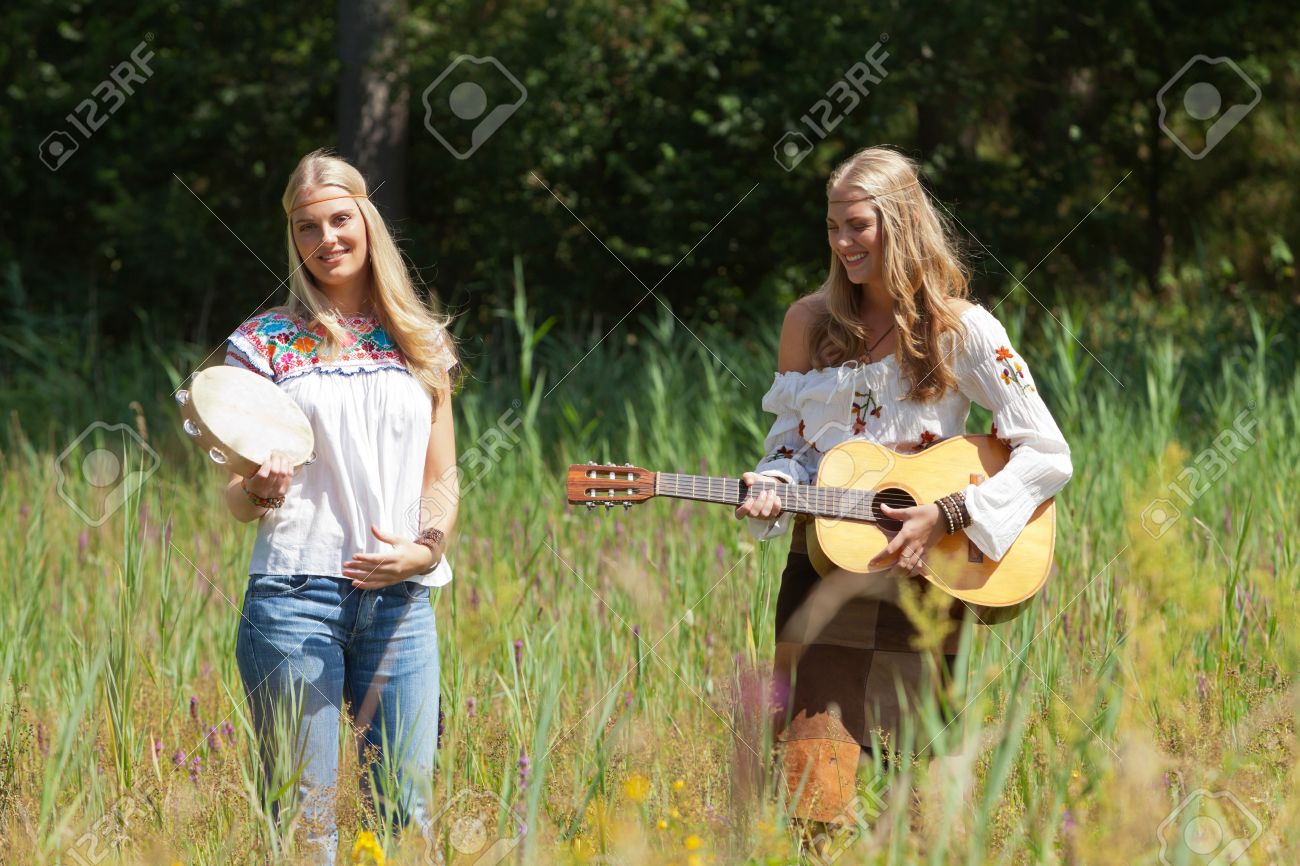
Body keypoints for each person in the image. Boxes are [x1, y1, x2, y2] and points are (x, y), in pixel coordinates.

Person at [733, 145, 1072, 822]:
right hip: (822, 572)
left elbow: (1048, 453)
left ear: (903, 222)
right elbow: (790, 447)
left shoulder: (963, 329)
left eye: (858, 225)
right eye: (833, 227)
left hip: (923, 576)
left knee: (914, 796)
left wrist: (948, 514)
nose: (842, 242)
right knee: (810, 786)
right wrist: (773, 481)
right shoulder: (808, 323)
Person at [222, 148, 460, 864]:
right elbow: (236, 496)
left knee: (406, 819)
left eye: (338, 220)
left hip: (401, 603)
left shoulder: (420, 340)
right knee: (307, 826)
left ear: (367, 221)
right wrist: (260, 489)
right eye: (307, 227)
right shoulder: (262, 344)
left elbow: (442, 478)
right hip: (293, 600)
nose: (325, 238)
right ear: (292, 238)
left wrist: (426, 550)